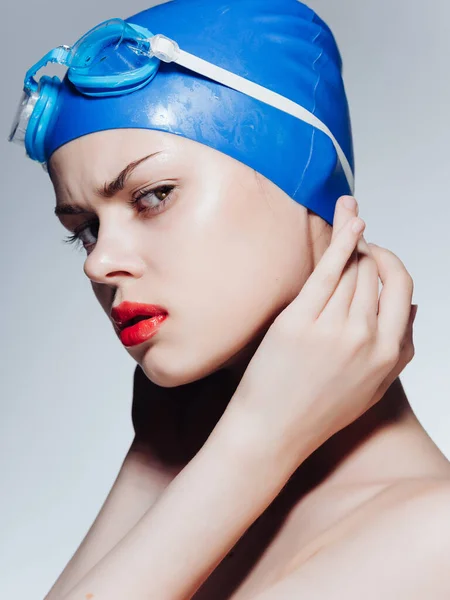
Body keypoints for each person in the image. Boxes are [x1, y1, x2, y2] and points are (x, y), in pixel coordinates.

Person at [9, 1, 450, 598]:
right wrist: (154, 461)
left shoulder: (432, 542)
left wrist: (256, 441)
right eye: (85, 226)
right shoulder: (198, 499)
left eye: (154, 195)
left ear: (307, 183)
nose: (98, 261)